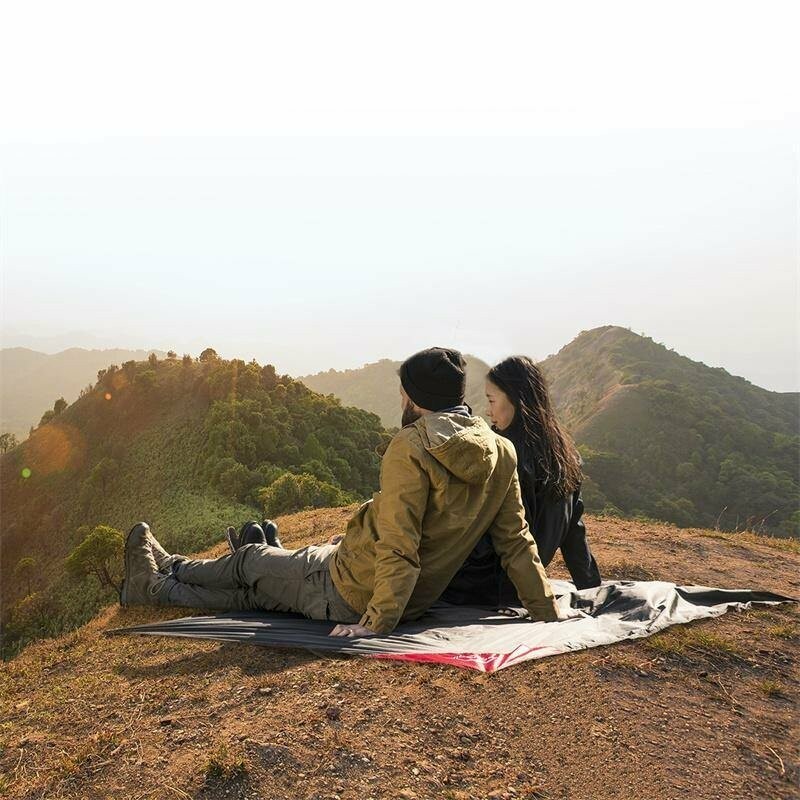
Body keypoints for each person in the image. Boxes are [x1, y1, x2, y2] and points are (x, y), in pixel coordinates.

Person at [120, 347, 561, 637]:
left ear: (415, 397)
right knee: (255, 594)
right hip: (395, 590)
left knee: (249, 561)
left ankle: (170, 568)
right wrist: (545, 610)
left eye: (403, 392)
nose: (402, 400)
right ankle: (156, 586)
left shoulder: (411, 446)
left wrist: (377, 621)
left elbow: (401, 542)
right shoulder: (501, 450)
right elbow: (516, 541)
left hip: (350, 587)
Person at [441, 355, 601, 609]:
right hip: (524, 585)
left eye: (491, 400)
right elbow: (574, 534)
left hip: (485, 586)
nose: (488, 411)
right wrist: (592, 590)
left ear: (516, 399)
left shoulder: (504, 455)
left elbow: (503, 538)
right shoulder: (567, 456)